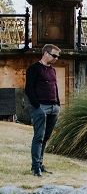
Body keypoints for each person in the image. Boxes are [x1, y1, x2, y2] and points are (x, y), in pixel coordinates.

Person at [25, 44, 61, 177]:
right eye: (54, 55)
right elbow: (29, 89)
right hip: (40, 107)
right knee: (38, 137)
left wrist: (57, 104)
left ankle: (40, 163)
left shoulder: (52, 70)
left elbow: (54, 87)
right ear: (45, 53)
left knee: (46, 137)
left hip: (53, 108)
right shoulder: (34, 69)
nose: (56, 58)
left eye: (58, 56)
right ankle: (35, 167)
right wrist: (37, 106)